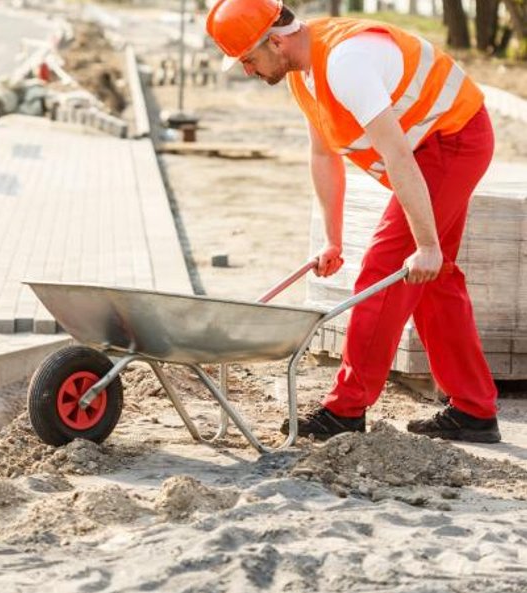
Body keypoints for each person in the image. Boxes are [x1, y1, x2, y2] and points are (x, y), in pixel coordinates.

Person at [205, 0, 501, 442]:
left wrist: (425, 243)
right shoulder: (303, 73)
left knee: (387, 269)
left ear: (276, 40)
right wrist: (333, 239)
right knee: (434, 279)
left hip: (451, 140)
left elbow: (398, 155)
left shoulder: (346, 63)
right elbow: (323, 154)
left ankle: (345, 410)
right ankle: (474, 410)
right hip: (431, 146)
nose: (247, 70)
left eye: (248, 58)